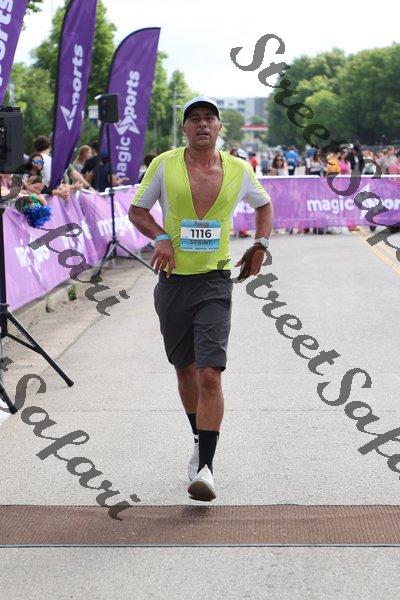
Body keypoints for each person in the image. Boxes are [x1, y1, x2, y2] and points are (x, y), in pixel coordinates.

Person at [128, 96, 273, 502]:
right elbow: (137, 210)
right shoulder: (164, 164)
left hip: (215, 282)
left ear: (220, 127)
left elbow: (264, 205)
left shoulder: (239, 169)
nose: (202, 124)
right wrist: (160, 237)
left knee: (210, 373)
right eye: (194, 119)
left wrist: (260, 246)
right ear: (185, 129)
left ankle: (206, 467)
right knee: (185, 370)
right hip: (173, 282)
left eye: (209, 118)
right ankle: (198, 438)